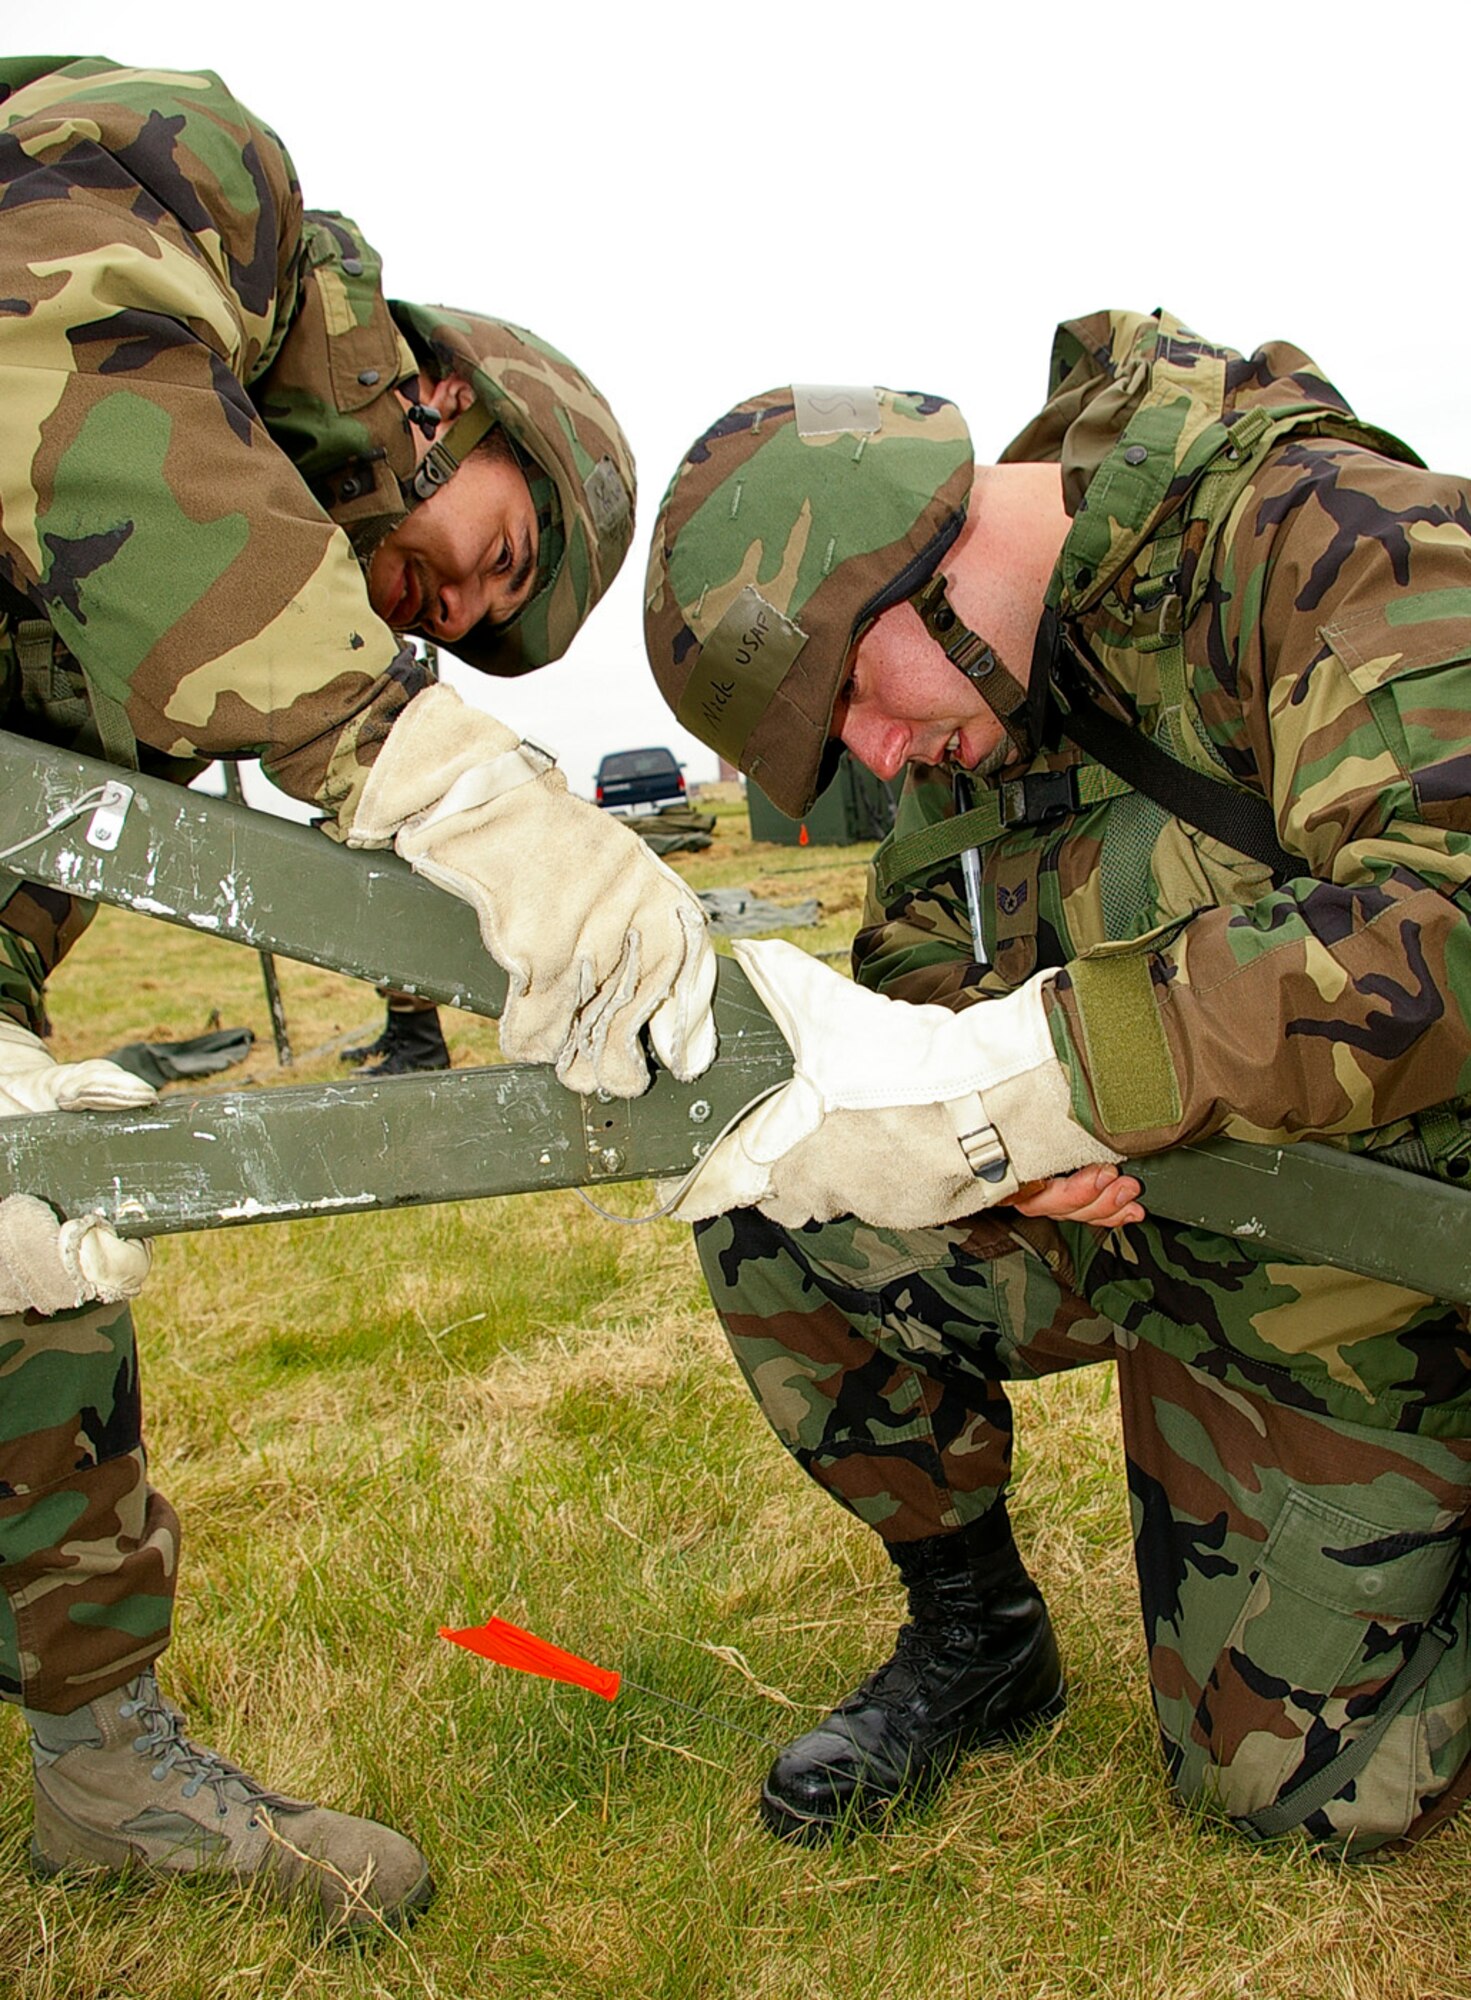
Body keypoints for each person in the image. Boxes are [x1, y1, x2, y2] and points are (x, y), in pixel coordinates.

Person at [0, 56, 715, 1924]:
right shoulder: (211, 183)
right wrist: (425, 763)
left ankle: (99, 1769)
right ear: (446, 399)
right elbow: (61, 352)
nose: (437, 611)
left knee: (28, 1233)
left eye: (463, 630)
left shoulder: (166, 664)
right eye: (486, 559)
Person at [642, 317, 1471, 1857]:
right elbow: (912, 956)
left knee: (1306, 1808)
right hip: (1213, 1264)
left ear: (912, 561)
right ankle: (977, 1636)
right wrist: (989, 1121)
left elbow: (1455, 915)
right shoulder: (976, 711)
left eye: (858, 708)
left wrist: (1066, 1068)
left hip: (1411, 1251)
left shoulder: (1319, 537)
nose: (883, 762)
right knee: (786, 1192)